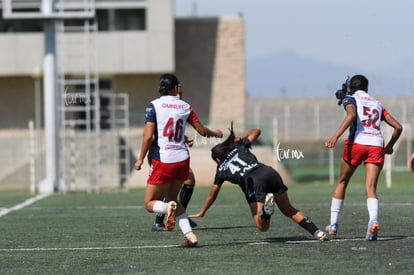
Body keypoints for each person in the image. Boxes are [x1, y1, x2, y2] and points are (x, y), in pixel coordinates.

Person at [189, 122, 329, 242]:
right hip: (269, 172)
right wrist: (239, 139)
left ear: (217, 159)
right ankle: (317, 232)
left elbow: (212, 195)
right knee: (289, 210)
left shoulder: (221, 169)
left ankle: (266, 213)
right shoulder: (239, 146)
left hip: (253, 181)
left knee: (262, 226)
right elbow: (257, 131)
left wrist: (202, 212)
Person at [134, 73, 223, 247]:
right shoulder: (185, 107)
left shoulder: (154, 106)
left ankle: (167, 209)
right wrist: (216, 134)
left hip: (163, 159)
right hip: (182, 159)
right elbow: (202, 131)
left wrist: (140, 159)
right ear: (175, 88)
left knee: (149, 203)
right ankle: (190, 236)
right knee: (174, 199)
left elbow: (148, 135)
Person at [325, 74, 403, 241]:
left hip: (357, 143)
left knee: (342, 181)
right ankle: (373, 221)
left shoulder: (351, 99)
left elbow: (351, 116)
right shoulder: (377, 103)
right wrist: (389, 146)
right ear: (367, 87)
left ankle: (333, 225)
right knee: (370, 188)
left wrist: (335, 136)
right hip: (376, 144)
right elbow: (398, 127)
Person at [150, 82, 199, 231]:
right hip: (159, 154)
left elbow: (171, 130)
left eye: (181, 93)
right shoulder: (160, 107)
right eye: (177, 92)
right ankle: (160, 220)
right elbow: (156, 133)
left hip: (172, 154)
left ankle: (180, 214)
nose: (179, 96)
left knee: (189, 179)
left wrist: (184, 138)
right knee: (167, 187)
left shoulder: (177, 107)